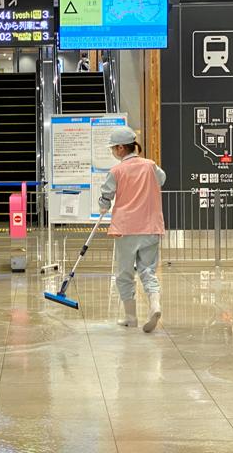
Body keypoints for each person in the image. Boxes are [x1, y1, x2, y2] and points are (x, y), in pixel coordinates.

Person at [98, 126, 166, 333]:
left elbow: (106, 196)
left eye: (113, 148)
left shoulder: (116, 171)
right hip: (151, 226)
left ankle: (131, 317)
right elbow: (161, 180)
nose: (112, 152)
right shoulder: (150, 165)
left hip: (126, 228)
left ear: (120, 148)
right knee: (148, 270)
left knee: (125, 273)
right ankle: (155, 305)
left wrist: (103, 205)